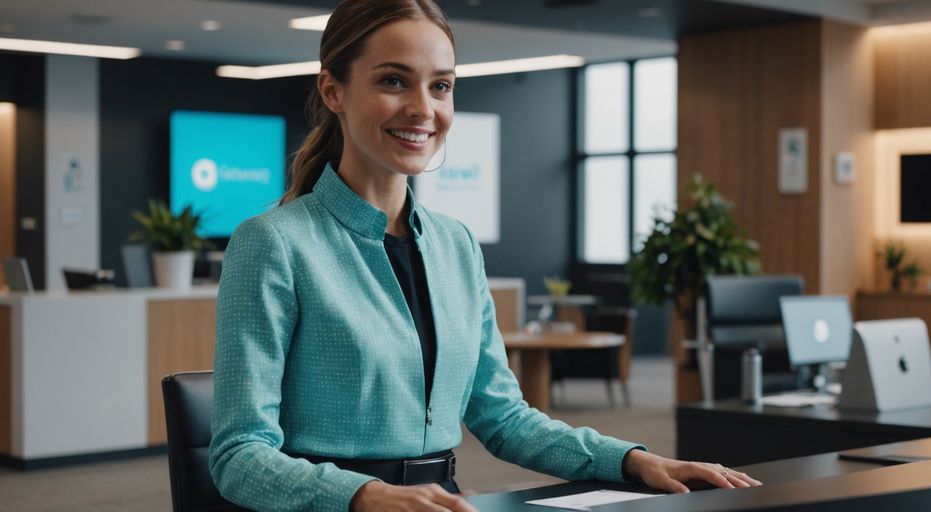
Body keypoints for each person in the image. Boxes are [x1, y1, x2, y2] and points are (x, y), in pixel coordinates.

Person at [208, 0, 762, 510]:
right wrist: (368, 497)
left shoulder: (455, 245)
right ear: (333, 91)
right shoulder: (273, 243)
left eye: (441, 86)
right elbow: (239, 458)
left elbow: (504, 420)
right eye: (394, 81)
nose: (422, 109)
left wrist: (633, 460)